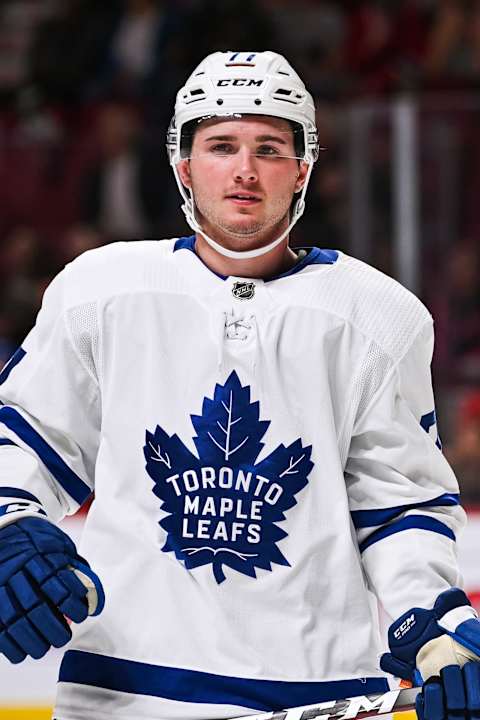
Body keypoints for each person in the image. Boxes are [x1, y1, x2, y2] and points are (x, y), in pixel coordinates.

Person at [0, 50, 479, 720]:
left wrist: (434, 628)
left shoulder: (378, 315)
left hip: (319, 699)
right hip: (119, 696)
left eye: (270, 148)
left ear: (303, 167)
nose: (245, 170)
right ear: (183, 165)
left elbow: (398, 504)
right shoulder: (100, 291)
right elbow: (27, 443)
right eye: (221, 146)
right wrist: (10, 522)